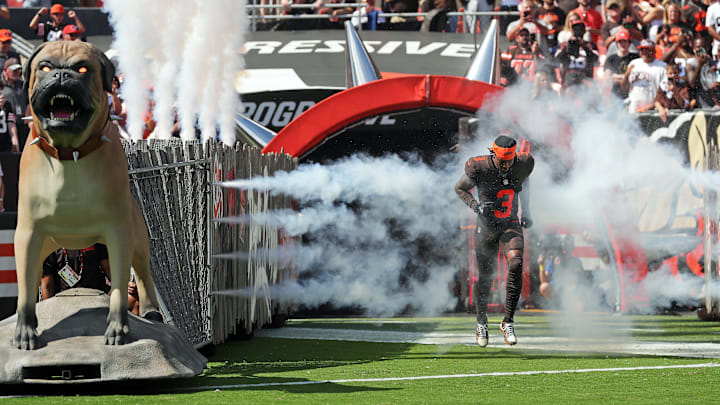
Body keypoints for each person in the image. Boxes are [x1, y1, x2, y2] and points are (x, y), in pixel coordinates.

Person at [455, 134, 534, 347]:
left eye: (510, 160)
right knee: (486, 276)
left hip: (510, 223)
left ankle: (508, 321)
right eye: (502, 160)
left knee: (516, 263)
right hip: (487, 227)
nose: (506, 165)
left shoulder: (523, 163)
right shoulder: (479, 167)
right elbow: (460, 188)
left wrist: (527, 212)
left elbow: (524, 183)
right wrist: (475, 205)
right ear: (493, 154)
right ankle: (481, 319)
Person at [41, 244, 112, 299]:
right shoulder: (51, 251)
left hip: (96, 295)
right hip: (63, 298)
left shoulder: (96, 244)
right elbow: (47, 287)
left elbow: (110, 273)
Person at [624, 39, 667, 112]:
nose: (644, 52)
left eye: (647, 50)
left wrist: (652, 106)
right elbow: (624, 87)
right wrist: (626, 75)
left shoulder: (662, 66)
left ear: (654, 51)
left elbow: (665, 91)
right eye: (642, 50)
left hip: (652, 109)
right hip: (633, 108)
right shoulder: (633, 63)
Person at [1, 58, 29, 150]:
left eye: (19, 70)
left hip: (23, 125)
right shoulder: (1, 85)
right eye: (14, 70)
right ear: (5, 70)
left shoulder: (22, 85)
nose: (17, 72)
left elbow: (29, 101)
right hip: (7, 128)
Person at [603, 29, 639, 100]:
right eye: (620, 42)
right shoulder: (611, 58)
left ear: (629, 43)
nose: (623, 44)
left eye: (625, 42)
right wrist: (626, 78)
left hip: (633, 94)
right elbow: (607, 77)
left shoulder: (635, 58)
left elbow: (637, 77)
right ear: (617, 44)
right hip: (616, 95)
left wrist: (616, 76)